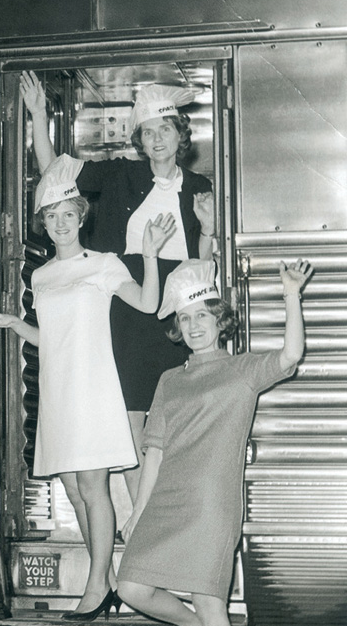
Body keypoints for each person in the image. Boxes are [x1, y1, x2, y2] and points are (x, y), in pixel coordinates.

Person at [117, 258, 312, 626]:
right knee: (132, 586)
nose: (195, 325)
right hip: (166, 495)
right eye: (185, 319)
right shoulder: (169, 379)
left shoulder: (242, 369)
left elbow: (290, 356)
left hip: (210, 498)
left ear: (220, 318)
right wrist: (137, 512)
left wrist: (291, 293)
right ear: (178, 329)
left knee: (211, 602)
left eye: (203, 314)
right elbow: (154, 450)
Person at [0, 154, 175, 620]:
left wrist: (149, 256)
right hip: (58, 390)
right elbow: (52, 336)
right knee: (74, 489)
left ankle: (97, 586)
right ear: (44, 224)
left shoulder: (105, 264)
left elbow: (150, 303)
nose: (60, 224)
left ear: (80, 217)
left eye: (67, 215)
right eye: (51, 218)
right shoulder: (41, 275)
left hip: (92, 388)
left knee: (93, 487)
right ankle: (107, 580)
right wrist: (17, 323)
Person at [20, 72, 216, 501]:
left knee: (175, 415)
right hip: (129, 304)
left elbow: (204, 268)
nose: (157, 139)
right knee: (130, 417)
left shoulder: (202, 188)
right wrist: (38, 113)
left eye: (165, 129)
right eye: (148, 133)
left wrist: (207, 231)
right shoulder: (117, 175)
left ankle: (168, 511)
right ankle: (141, 518)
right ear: (139, 142)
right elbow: (55, 173)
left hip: (180, 306)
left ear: (180, 135)